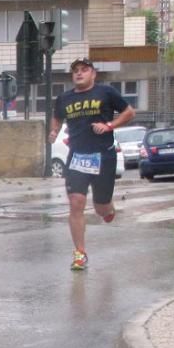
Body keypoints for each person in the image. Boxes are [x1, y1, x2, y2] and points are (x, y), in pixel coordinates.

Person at [48, 57, 135, 271]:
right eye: (75, 70)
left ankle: (108, 208)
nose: (79, 73)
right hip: (77, 156)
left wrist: (109, 125)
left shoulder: (106, 92)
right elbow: (57, 117)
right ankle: (80, 253)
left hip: (103, 156)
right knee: (76, 203)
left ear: (93, 74)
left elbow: (129, 112)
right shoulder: (64, 98)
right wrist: (54, 131)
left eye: (84, 70)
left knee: (100, 208)